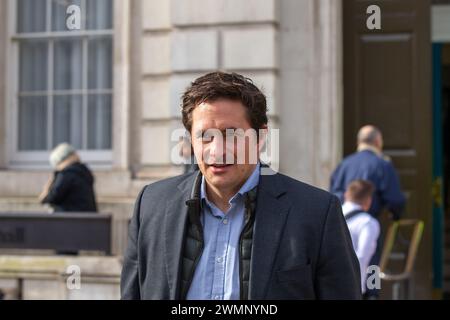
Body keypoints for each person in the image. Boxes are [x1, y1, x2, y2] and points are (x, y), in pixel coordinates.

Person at [121, 71, 361, 300]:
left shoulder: (317, 213)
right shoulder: (150, 205)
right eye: (205, 136)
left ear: (261, 137)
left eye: (231, 134)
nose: (217, 151)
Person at [330, 125, 406, 299]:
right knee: (371, 267)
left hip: (341, 225)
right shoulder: (382, 164)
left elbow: (331, 194)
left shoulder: (344, 164)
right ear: (378, 142)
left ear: (359, 142)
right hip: (366, 224)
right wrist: (396, 216)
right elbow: (395, 200)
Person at [342, 180, 380, 298]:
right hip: (354, 286)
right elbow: (364, 257)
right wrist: (372, 290)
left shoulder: (330, 213)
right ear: (369, 200)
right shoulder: (368, 222)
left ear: (346, 195)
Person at [39, 143, 97, 213]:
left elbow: (50, 199)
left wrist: (47, 188)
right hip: (89, 220)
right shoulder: (84, 172)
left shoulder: (66, 174)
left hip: (70, 220)